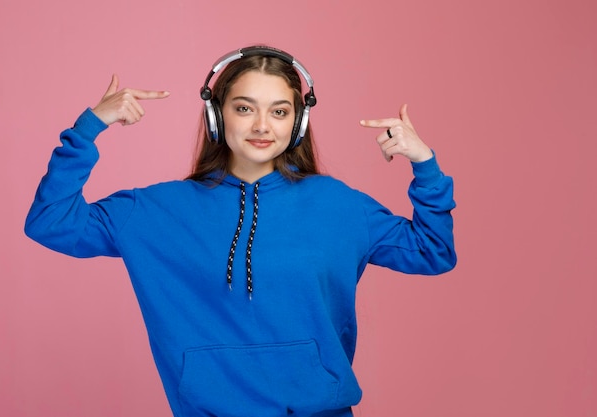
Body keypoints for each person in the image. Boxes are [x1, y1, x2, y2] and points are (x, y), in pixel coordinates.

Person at [25, 45, 456, 417]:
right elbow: (51, 222)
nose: (262, 126)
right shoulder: (156, 210)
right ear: (217, 114)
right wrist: (89, 128)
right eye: (244, 108)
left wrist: (425, 165)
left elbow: (432, 251)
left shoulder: (338, 205)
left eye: (280, 111)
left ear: (298, 123)